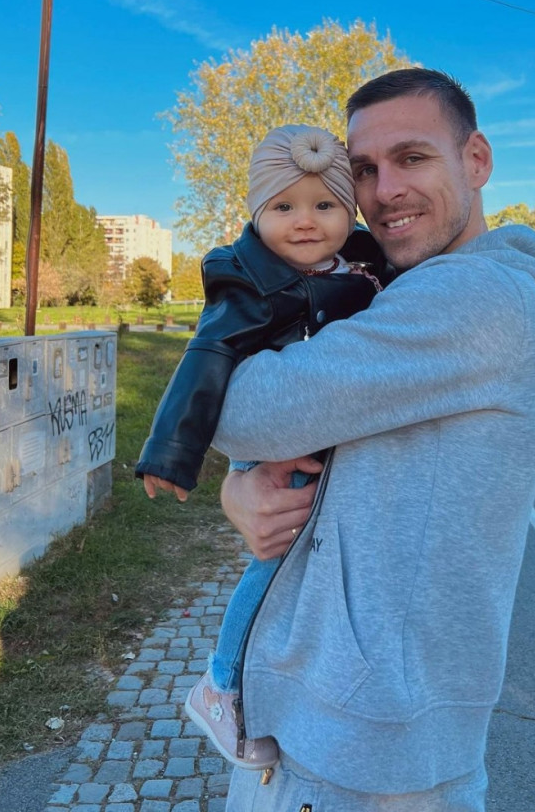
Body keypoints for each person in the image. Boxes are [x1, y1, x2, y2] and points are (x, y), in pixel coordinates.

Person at [209, 68, 535, 810]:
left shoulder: (473, 296)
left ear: (475, 160)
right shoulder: (417, 290)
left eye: (412, 157)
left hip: (361, 761)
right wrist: (239, 488)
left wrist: (235, 449)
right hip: (340, 730)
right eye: (364, 169)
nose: (384, 192)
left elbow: (240, 409)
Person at [135, 124, 387, 768]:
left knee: (315, 565)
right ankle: (222, 684)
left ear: (350, 211)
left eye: (325, 205)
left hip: (323, 438)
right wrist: (172, 450)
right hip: (279, 445)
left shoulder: (362, 263)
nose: (305, 221)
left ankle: (285, 681)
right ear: (255, 213)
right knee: (276, 564)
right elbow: (206, 358)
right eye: (283, 206)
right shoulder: (249, 283)